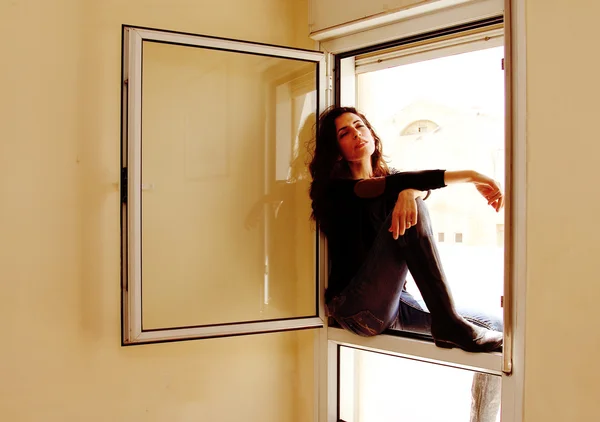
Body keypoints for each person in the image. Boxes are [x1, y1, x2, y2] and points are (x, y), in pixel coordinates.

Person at [309, 106, 505, 353]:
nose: (356, 134)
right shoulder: (337, 191)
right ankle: (447, 321)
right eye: (344, 133)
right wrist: (472, 176)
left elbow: (406, 184)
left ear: (371, 133)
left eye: (359, 126)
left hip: (395, 304)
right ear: (337, 151)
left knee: (497, 326)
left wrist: (412, 193)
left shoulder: (391, 182)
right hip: (355, 309)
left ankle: (451, 328)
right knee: (416, 207)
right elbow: (390, 185)